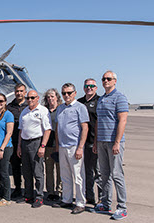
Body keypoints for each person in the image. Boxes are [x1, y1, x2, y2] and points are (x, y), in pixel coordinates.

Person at [91, 71, 129, 221]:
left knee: (117, 174)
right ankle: (106, 203)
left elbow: (122, 121)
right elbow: (98, 122)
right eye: (104, 79)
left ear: (115, 81)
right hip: (101, 141)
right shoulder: (102, 99)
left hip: (114, 142)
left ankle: (122, 207)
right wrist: (95, 142)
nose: (106, 81)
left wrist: (117, 142)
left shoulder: (119, 97)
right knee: (104, 174)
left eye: (109, 79)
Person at [52, 83, 89, 215]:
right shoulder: (60, 108)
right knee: (65, 175)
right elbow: (57, 128)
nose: (66, 95)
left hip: (74, 147)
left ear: (74, 93)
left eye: (69, 93)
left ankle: (80, 202)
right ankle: (66, 199)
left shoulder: (80, 107)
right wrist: (57, 146)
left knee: (78, 176)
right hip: (62, 146)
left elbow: (85, 128)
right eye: (64, 93)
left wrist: (80, 147)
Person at [16, 90, 51, 208]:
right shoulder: (24, 112)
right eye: (28, 98)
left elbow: (47, 129)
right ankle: (28, 195)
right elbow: (21, 129)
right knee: (26, 171)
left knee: (38, 171)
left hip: (36, 142)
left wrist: (43, 146)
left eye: (32, 98)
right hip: (25, 143)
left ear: (37, 98)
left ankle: (39, 196)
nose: (30, 100)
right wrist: (19, 146)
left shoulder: (42, 111)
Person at [77, 78, 102, 205]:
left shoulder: (100, 101)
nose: (89, 88)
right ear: (83, 87)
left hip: (95, 141)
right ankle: (89, 197)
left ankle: (102, 198)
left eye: (92, 86)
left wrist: (97, 142)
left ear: (96, 88)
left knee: (98, 172)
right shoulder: (79, 102)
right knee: (87, 172)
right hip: (83, 142)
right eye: (87, 85)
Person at [6, 83, 28, 199]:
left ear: (25, 92)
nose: (19, 93)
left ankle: (28, 190)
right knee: (15, 166)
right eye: (17, 91)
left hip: (26, 140)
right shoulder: (10, 107)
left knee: (27, 167)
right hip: (13, 140)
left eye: (21, 91)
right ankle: (18, 188)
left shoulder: (28, 106)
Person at [42, 88, 62, 201]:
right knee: (49, 170)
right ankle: (50, 191)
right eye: (48, 97)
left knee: (60, 169)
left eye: (52, 96)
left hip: (59, 144)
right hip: (48, 144)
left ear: (57, 98)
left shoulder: (60, 109)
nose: (50, 99)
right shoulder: (45, 111)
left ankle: (59, 191)